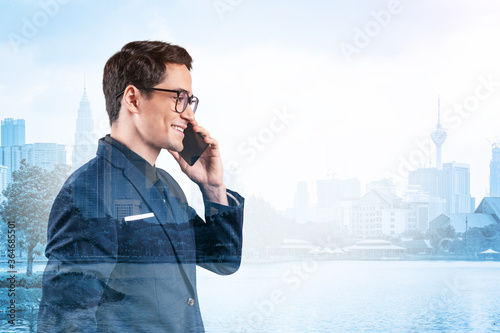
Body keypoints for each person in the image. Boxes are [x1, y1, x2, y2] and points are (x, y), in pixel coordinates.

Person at [37, 41, 244, 332]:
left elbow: (223, 260)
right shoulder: (87, 193)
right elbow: (65, 324)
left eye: (190, 101)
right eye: (178, 97)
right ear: (133, 99)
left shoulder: (168, 186)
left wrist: (213, 187)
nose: (188, 114)